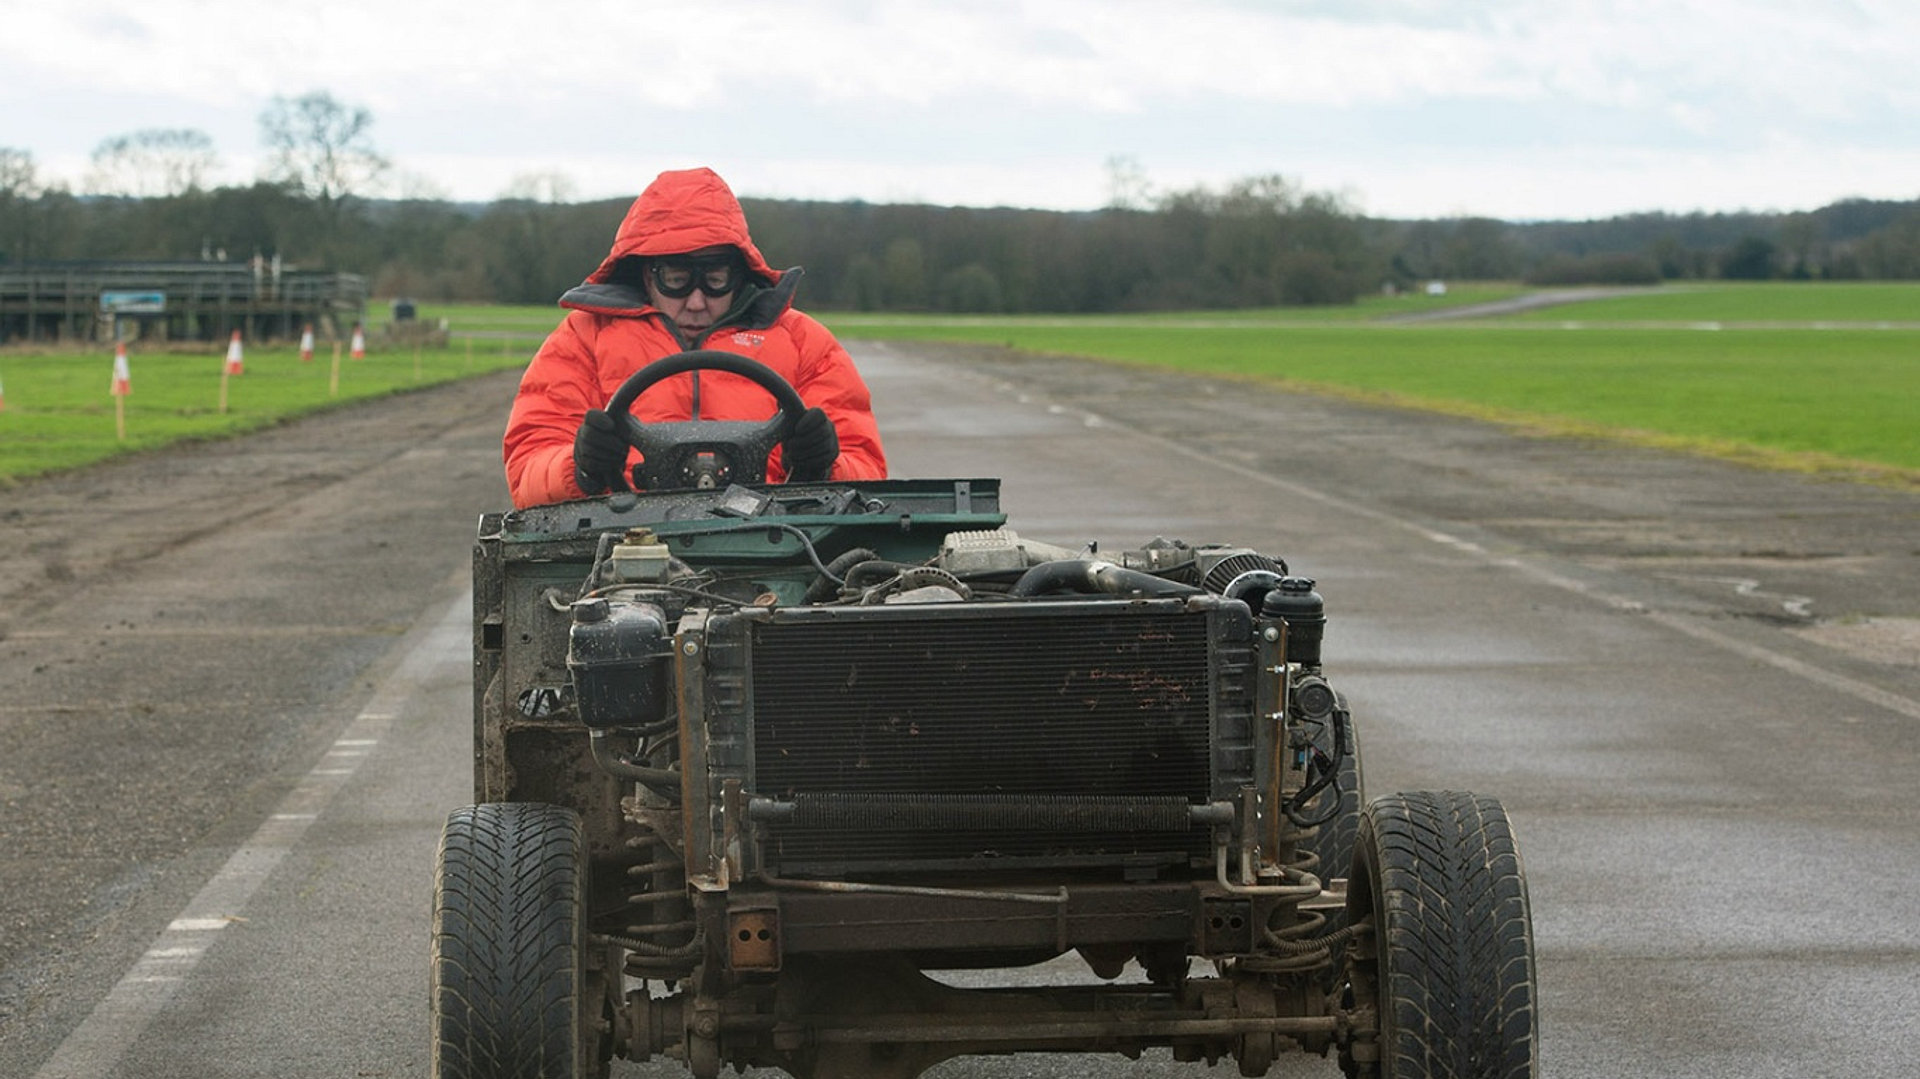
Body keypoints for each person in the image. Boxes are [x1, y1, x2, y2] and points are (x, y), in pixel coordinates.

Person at [503, 167, 886, 508]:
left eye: (715, 280)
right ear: (645, 273)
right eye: (676, 280)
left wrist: (823, 465)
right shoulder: (583, 338)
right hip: (623, 546)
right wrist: (580, 467)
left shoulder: (804, 342)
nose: (697, 301)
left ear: (740, 273)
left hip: (776, 543)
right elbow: (528, 469)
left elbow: (867, 471)